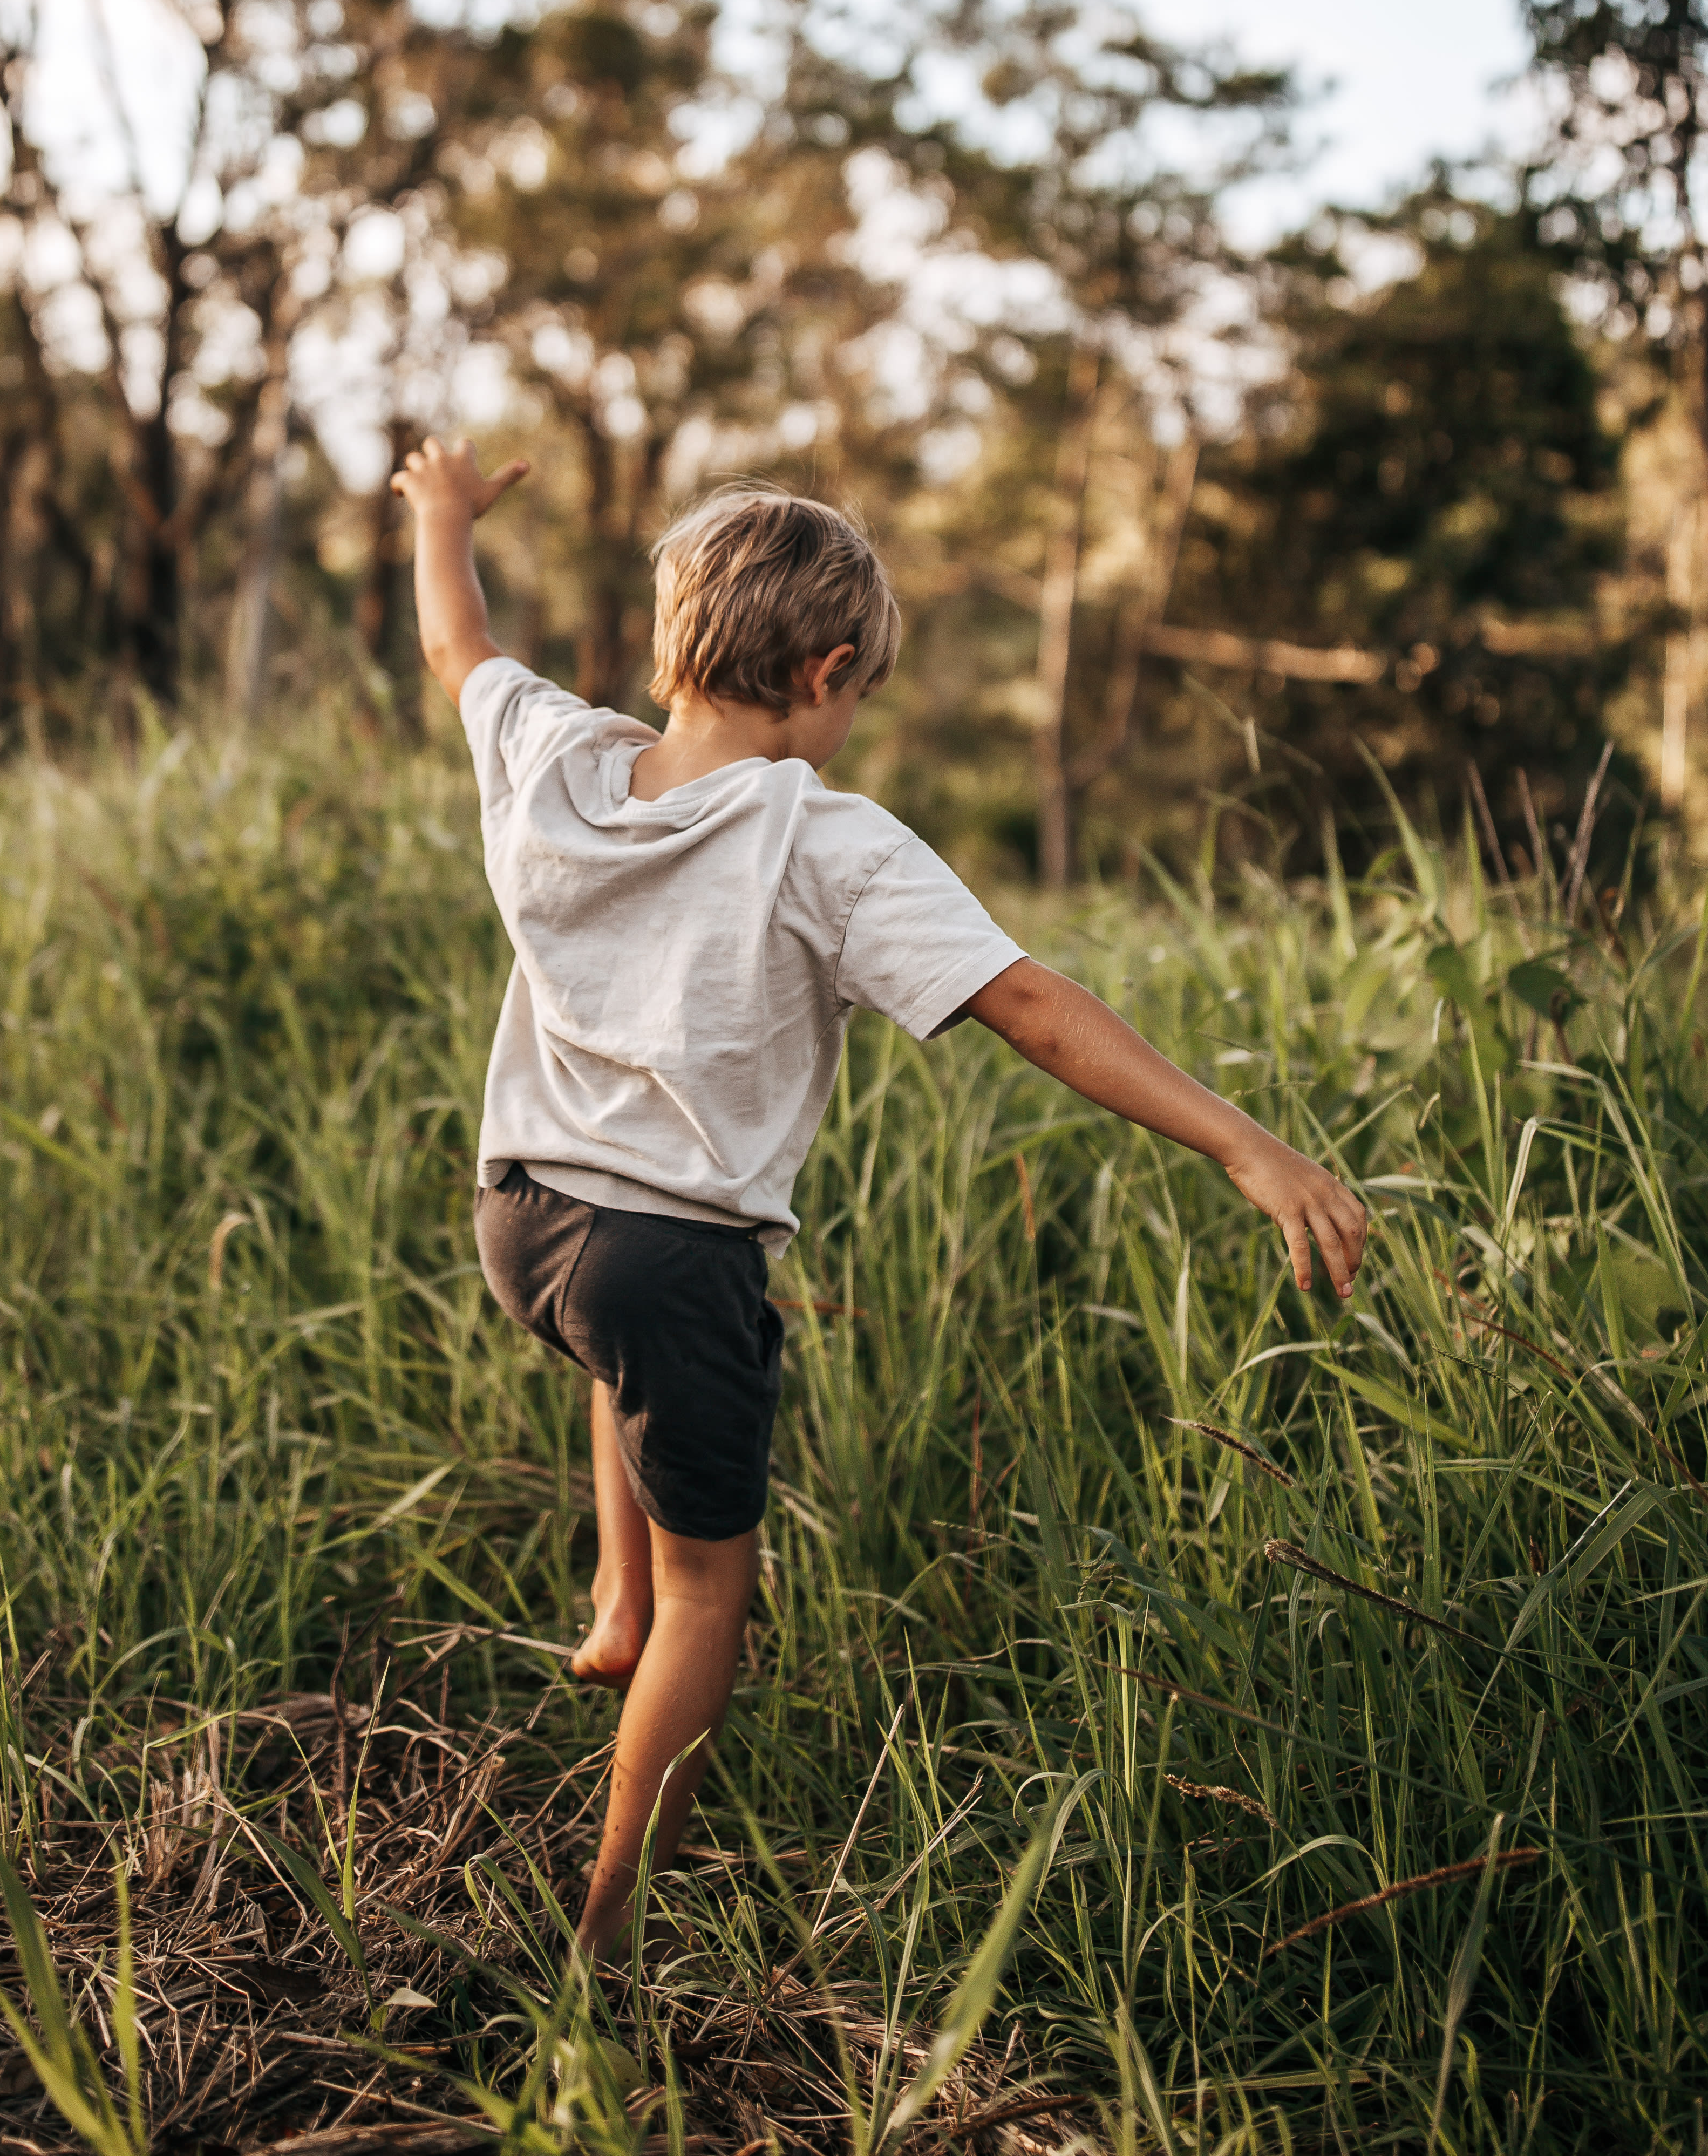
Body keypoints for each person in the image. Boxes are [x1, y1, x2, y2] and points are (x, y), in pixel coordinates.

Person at [388, 439, 1370, 1962]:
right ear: (830, 670)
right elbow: (1031, 1004)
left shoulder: (556, 754)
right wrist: (1245, 1143)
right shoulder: (819, 835)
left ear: (677, 644)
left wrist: (443, 513)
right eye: (858, 698)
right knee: (723, 1586)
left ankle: (611, 1599)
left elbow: (461, 638)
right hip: (670, 1249)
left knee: (612, 1344)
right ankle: (608, 1932)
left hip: (520, 1215)